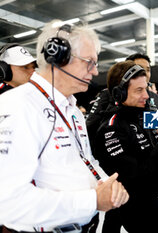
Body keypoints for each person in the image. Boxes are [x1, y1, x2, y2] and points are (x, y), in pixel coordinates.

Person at [0, 20, 129, 233]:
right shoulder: (18, 106)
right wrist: (91, 201)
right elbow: (6, 201)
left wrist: (108, 185)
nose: (96, 71)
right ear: (58, 58)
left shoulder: (72, 110)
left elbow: (84, 160)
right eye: (89, 62)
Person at [94, 60, 158, 233]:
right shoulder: (111, 129)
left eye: (146, 88)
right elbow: (135, 178)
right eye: (139, 90)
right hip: (142, 214)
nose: (146, 95)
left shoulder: (147, 117)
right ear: (119, 94)